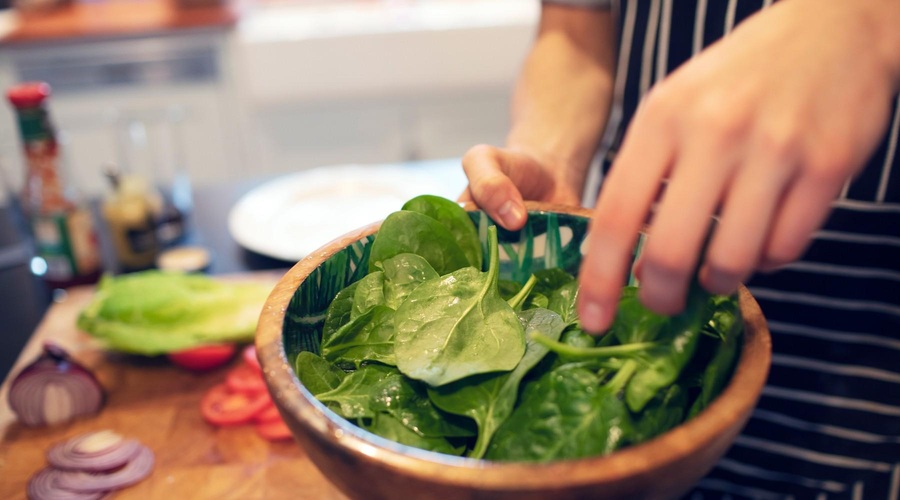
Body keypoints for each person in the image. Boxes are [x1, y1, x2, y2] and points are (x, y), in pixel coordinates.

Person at [460, 0, 900, 497]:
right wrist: (553, 154)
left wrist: (868, 18)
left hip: (864, 404)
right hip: (630, 386)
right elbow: (576, 34)